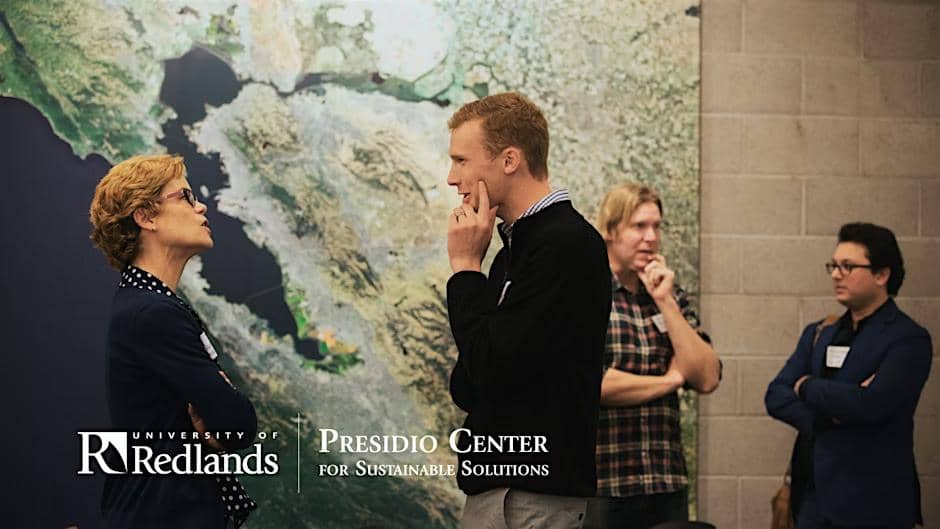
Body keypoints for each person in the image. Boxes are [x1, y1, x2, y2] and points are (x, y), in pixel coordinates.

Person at [445, 92, 612, 529]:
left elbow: (484, 370)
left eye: (462, 161)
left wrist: (464, 269)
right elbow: (467, 385)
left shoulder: (565, 246)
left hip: (530, 496)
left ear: (509, 159)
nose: (451, 177)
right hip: (504, 491)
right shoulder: (513, 249)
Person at [89, 154, 258, 529]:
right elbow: (238, 423)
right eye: (185, 196)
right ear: (146, 217)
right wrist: (222, 405)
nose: (201, 206)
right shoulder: (153, 313)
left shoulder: (144, 303)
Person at [765, 222, 932, 529]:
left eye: (848, 266)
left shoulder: (908, 339)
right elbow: (775, 394)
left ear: (882, 275)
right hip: (813, 500)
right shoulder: (819, 333)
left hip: (874, 503)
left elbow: (872, 404)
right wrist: (823, 418)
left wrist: (807, 385)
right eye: (834, 265)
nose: (836, 274)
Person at [587, 182, 720, 529]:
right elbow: (594, 385)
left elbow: (706, 376)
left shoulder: (670, 292)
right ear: (611, 231)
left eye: (656, 227)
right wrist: (671, 380)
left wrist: (664, 300)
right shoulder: (589, 293)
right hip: (604, 486)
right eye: (638, 226)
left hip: (665, 483)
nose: (650, 237)